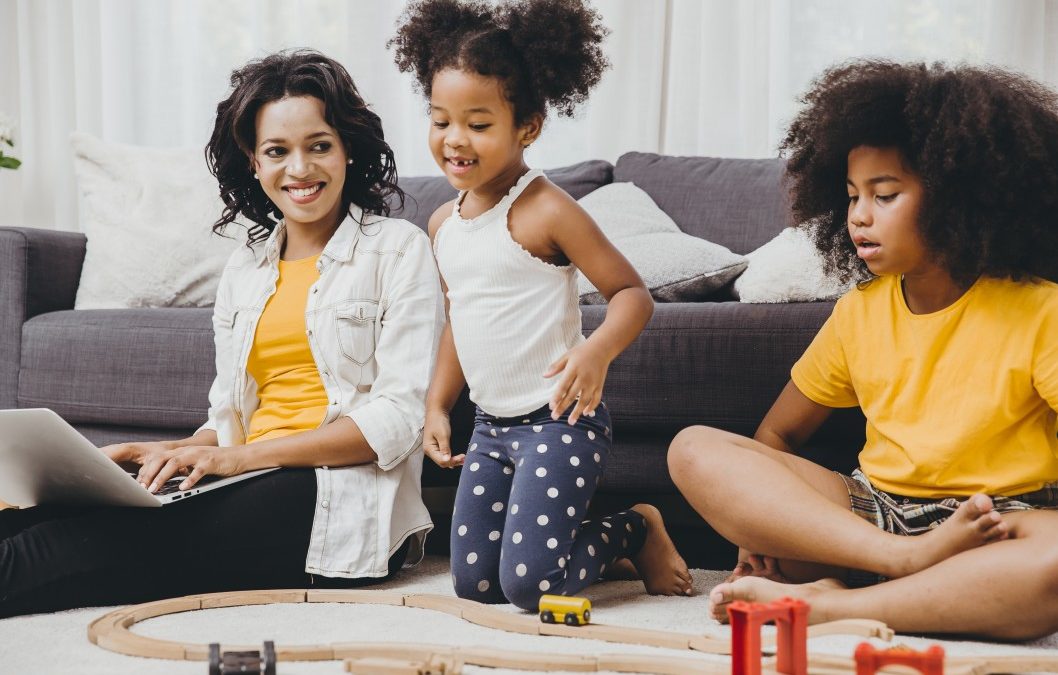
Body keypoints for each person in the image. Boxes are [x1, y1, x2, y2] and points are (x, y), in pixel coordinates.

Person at [0, 49, 444, 617]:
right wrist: (175, 451)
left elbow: (398, 422)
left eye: (319, 146)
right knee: (33, 517)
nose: (299, 169)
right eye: (277, 151)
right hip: (249, 477)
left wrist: (243, 461)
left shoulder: (398, 249)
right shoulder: (248, 266)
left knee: (49, 553)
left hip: (331, 495)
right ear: (253, 164)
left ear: (348, 150)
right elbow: (232, 419)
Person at [668, 60, 1058, 640]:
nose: (858, 216)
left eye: (885, 194)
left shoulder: (1040, 309)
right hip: (870, 522)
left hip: (997, 524)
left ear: (959, 199)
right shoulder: (860, 310)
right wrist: (761, 530)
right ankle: (900, 568)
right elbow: (777, 438)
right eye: (852, 196)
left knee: (1052, 562)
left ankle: (829, 607)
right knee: (693, 448)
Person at [390, 0, 692, 611]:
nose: (455, 140)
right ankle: (581, 542)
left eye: (478, 123)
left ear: (527, 126)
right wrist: (437, 402)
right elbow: (460, 319)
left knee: (530, 587)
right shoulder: (443, 222)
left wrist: (596, 350)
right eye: (441, 120)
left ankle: (634, 528)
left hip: (560, 424)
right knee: (475, 585)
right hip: (492, 429)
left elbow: (631, 294)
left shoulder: (546, 209)